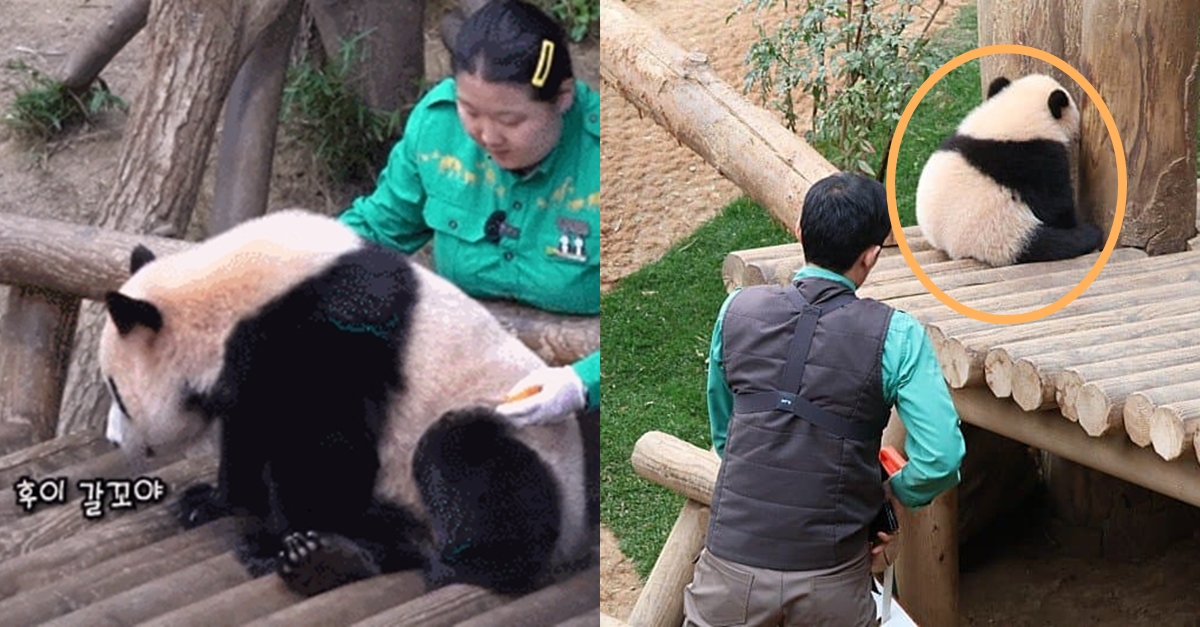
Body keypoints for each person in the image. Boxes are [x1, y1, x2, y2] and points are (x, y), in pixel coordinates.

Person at [683, 172, 966, 626]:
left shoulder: (736, 310)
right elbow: (941, 456)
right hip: (830, 586)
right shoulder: (897, 333)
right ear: (872, 255)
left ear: (800, 234)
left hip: (727, 579)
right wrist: (890, 498)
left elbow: (726, 432)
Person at [338, 0, 599, 423]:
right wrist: (304, 265)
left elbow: (647, 311)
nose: (487, 135)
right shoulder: (438, 128)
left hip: (582, 388)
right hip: (463, 368)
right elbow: (378, 229)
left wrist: (582, 383)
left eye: (511, 119)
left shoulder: (605, 156)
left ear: (563, 97)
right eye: (471, 111)